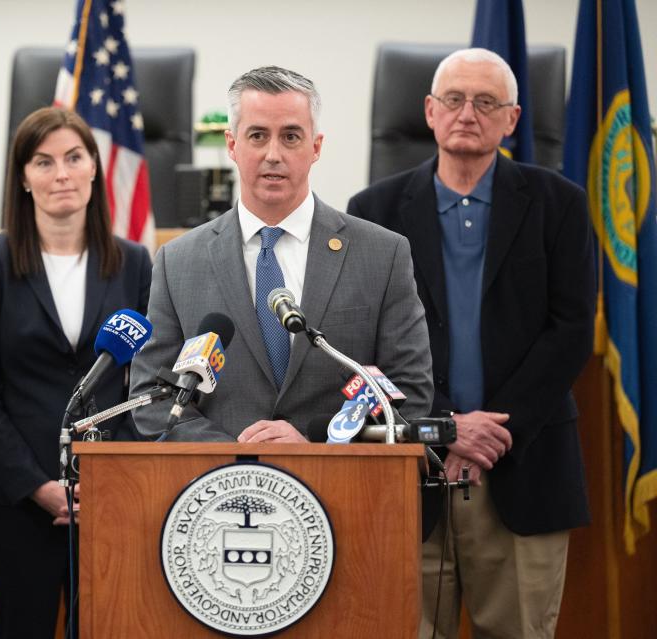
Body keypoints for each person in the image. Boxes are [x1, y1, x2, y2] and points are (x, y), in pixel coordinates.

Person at [347, 48, 595, 638]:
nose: (468, 113)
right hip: (408, 471)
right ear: (429, 112)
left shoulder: (560, 204)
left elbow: (571, 331)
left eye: (487, 102)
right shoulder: (372, 212)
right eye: (454, 100)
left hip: (521, 465)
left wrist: (490, 432)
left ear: (511, 119)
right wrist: (446, 427)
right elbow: (363, 341)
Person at [129, 66, 433, 442]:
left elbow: (409, 392)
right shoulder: (178, 262)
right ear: (232, 144)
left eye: (291, 136)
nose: (273, 154)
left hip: (342, 489)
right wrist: (235, 456)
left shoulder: (382, 254)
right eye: (257, 136)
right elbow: (153, 397)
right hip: (220, 489)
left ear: (316, 147)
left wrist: (316, 444)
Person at [0, 106, 152, 638]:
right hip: (16, 502)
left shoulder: (135, 263)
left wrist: (111, 477)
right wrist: (39, 487)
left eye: (73, 157)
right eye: (43, 162)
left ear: (94, 168)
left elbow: (149, 385)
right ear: (22, 178)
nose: (61, 173)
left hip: (109, 497)